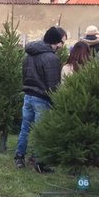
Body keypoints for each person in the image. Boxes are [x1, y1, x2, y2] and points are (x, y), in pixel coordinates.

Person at [14, 26, 66, 172]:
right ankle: (39, 162)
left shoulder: (29, 55)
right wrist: (56, 101)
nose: (62, 46)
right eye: (61, 42)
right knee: (41, 130)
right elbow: (53, 84)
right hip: (42, 99)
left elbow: (24, 76)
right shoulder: (51, 58)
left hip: (28, 96)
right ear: (55, 42)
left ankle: (19, 157)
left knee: (25, 128)